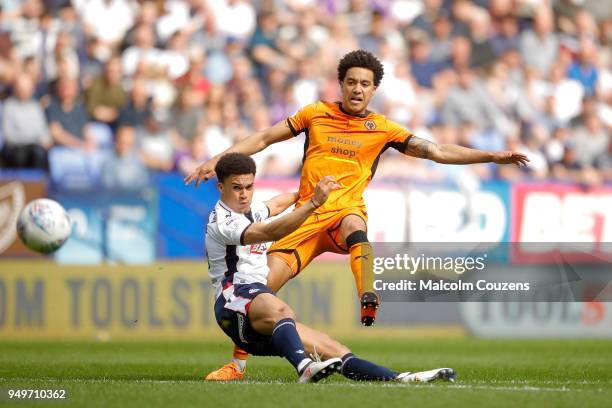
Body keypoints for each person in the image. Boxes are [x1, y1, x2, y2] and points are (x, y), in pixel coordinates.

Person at [186, 49, 528, 380]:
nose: (357, 89)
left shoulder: (382, 128)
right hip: (305, 217)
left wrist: (491, 157)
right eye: (351, 82)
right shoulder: (315, 114)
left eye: (365, 84)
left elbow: (436, 150)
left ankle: (368, 294)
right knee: (257, 295)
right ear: (341, 84)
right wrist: (218, 160)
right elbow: (263, 137)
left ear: (374, 89)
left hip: (342, 212)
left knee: (355, 225)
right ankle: (239, 364)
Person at [206, 152, 456, 384]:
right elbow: (272, 230)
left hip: (253, 316)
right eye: (237, 188)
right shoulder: (223, 222)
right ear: (221, 188)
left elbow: (276, 203)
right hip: (232, 300)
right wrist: (314, 202)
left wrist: (304, 194)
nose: (244, 194)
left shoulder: (250, 209)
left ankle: (400, 379)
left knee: (332, 348)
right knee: (281, 309)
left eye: (249, 187)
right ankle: (304, 367)